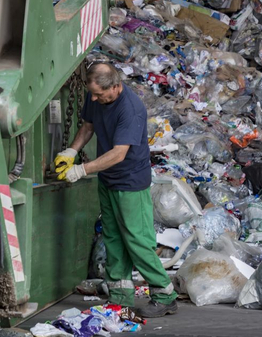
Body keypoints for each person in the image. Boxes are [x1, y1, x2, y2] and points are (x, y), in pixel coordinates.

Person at [54, 63, 178, 318]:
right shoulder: (96, 97)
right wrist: (72, 151)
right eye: (93, 94)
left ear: (116, 86)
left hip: (130, 181)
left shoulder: (130, 109)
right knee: (112, 237)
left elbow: (119, 154)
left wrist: (81, 170)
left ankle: (165, 295)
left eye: (100, 94)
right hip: (108, 180)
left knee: (137, 239)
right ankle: (121, 295)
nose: (95, 99)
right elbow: (88, 126)